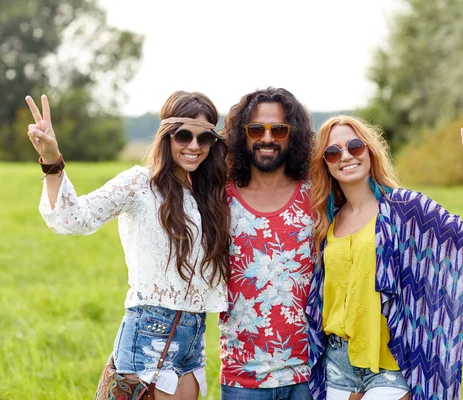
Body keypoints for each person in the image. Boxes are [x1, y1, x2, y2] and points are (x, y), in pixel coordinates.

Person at [24, 91, 231, 400]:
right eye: (184, 135)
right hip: (148, 335)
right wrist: (53, 160)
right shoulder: (140, 184)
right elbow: (73, 219)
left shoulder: (210, 194)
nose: (193, 146)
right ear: (166, 136)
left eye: (204, 139)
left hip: (193, 339)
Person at [307, 116, 463, 400]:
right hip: (336, 363)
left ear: (370, 151)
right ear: (326, 164)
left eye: (354, 146)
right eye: (333, 152)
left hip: (392, 362)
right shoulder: (325, 221)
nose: (345, 156)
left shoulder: (406, 208)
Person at [218, 87, 316, 400]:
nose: (268, 138)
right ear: (241, 135)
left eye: (279, 129)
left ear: (294, 135)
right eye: (256, 129)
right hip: (241, 379)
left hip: (309, 375)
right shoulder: (220, 199)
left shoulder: (317, 196)